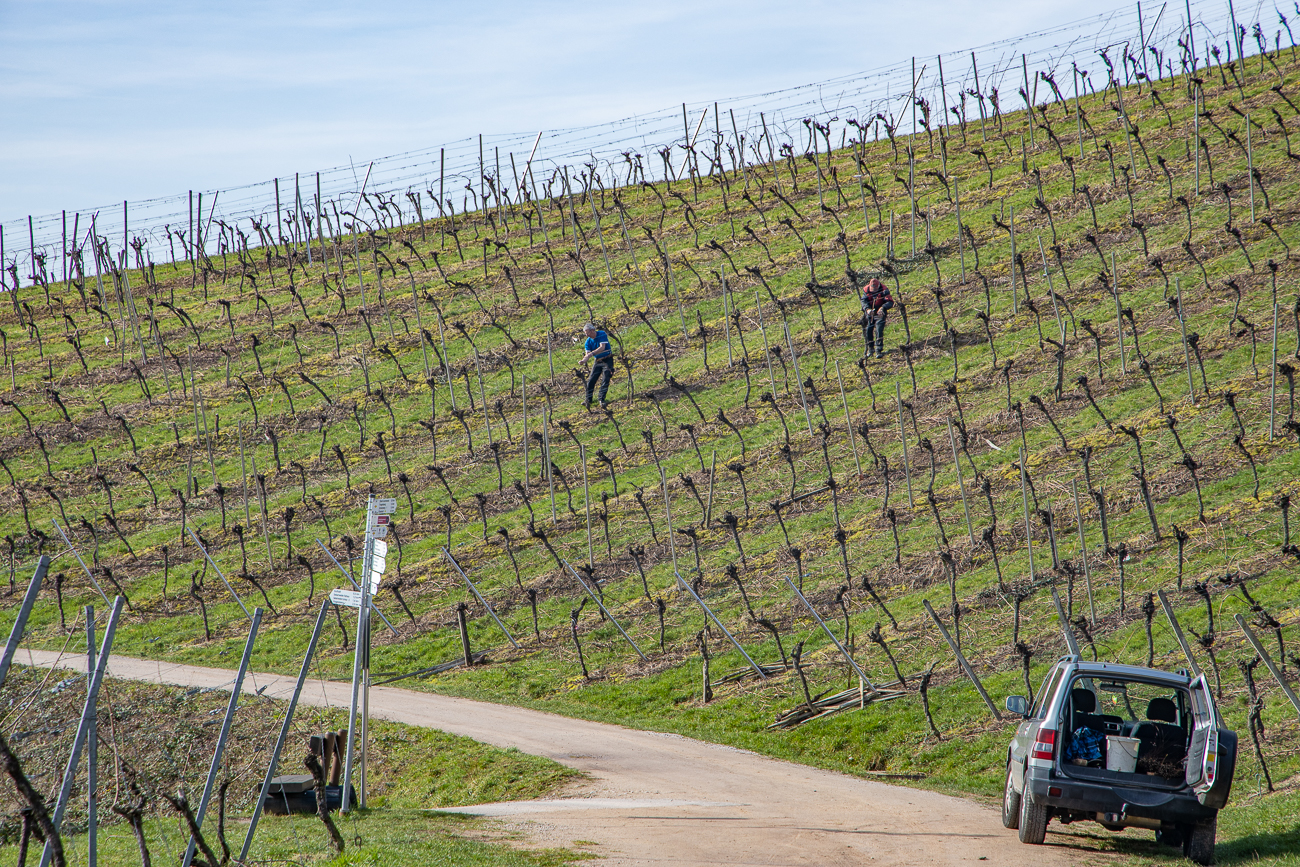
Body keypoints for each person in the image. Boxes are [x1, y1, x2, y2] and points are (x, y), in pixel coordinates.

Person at [580, 322, 614, 410]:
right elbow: (587, 354)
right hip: (598, 361)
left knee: (605, 378)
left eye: (588, 332)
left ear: (593, 330)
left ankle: (601, 399)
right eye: (585, 333)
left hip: (607, 359)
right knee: (591, 380)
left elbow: (602, 347)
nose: (586, 335)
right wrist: (583, 361)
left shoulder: (601, 334)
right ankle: (588, 399)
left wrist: (591, 354)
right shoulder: (588, 342)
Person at [860, 278, 894, 359]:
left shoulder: (884, 290)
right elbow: (863, 301)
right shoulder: (866, 290)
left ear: (878, 286)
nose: (874, 292)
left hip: (880, 312)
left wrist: (883, 308)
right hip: (870, 312)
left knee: (879, 329)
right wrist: (867, 309)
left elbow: (890, 302)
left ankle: (878, 349)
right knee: (869, 329)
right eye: (872, 290)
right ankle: (870, 348)